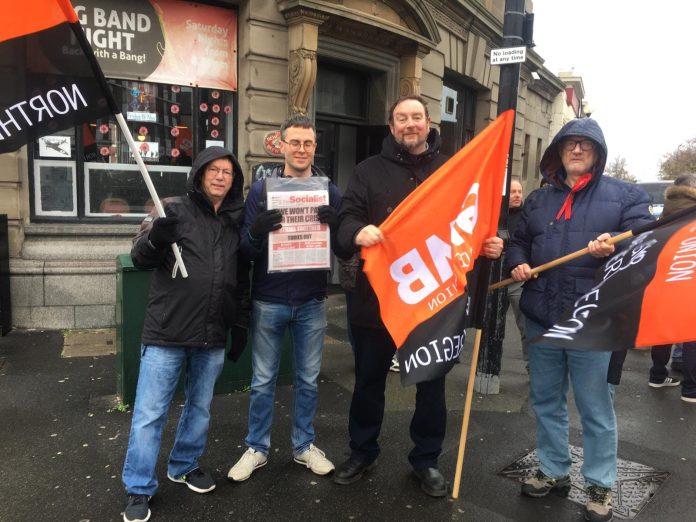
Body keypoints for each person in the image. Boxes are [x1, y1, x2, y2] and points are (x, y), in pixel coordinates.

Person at [333, 95, 503, 498]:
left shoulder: (452, 170)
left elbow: (472, 222)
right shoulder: (367, 171)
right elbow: (346, 220)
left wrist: (491, 243)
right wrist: (357, 233)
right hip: (378, 301)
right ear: (391, 126)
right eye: (401, 118)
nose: (409, 124)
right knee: (369, 381)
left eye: (416, 117)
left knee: (432, 384)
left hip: (433, 300)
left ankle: (426, 460)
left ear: (429, 122)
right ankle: (362, 451)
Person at [506, 118, 652, 522]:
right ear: (557, 151)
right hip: (543, 318)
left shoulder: (624, 196)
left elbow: (644, 243)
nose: (575, 150)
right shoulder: (538, 200)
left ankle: (601, 484)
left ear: (598, 152)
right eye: (568, 144)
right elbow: (518, 242)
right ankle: (553, 470)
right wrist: (518, 263)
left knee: (594, 407)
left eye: (584, 145)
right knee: (546, 400)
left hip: (593, 320)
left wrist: (616, 249)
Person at [121, 146, 250, 522]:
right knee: (149, 413)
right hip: (167, 332)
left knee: (200, 408)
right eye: (214, 170)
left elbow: (239, 279)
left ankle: (184, 464)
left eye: (228, 172)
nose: (221, 177)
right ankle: (139, 487)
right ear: (199, 173)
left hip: (211, 334)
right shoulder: (171, 209)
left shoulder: (233, 221)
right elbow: (140, 257)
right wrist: (156, 239)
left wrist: (239, 322)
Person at [227, 114, 348, 482]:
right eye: (294, 142)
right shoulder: (263, 191)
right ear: (281, 145)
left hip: (311, 299)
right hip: (270, 298)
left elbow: (344, 247)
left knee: (308, 380)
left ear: (315, 146)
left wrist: (339, 223)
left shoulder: (330, 191)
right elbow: (243, 251)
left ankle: (303, 446)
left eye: (307, 143)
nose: (300, 149)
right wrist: (257, 232)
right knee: (263, 380)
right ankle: (256, 448)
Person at [647, 173, 696, 401]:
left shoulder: (666, 208)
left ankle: (657, 375)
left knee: (664, 329)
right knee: (691, 334)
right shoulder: (692, 209)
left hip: (665, 274)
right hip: (689, 276)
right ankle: (690, 389)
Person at [503, 177, 527, 362]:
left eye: (519, 191)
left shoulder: (527, 216)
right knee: (488, 328)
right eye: (513, 191)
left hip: (518, 280)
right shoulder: (494, 213)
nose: (518, 195)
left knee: (526, 326)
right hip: (495, 280)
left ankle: (533, 369)